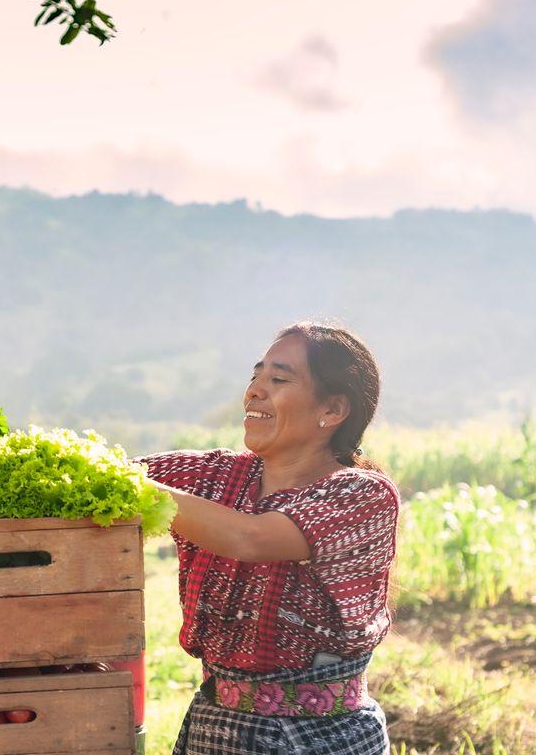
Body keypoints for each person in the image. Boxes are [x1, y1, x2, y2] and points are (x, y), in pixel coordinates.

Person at [140, 322, 398, 755]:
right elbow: (104, 471)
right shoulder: (221, 475)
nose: (254, 391)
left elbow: (251, 538)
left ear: (332, 410)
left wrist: (133, 490)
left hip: (320, 738)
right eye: (254, 377)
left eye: (278, 379)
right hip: (216, 729)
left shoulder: (361, 495)